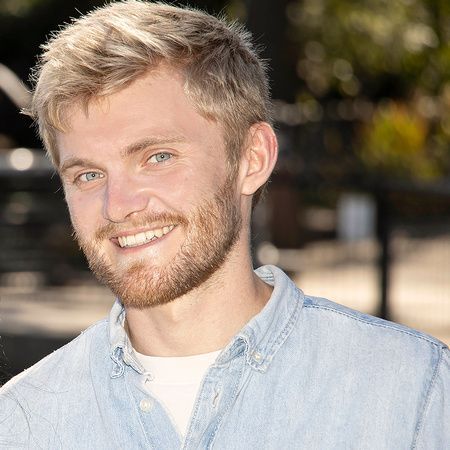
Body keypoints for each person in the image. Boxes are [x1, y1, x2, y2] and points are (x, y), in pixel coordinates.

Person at [0, 1, 448, 448]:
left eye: (157, 157)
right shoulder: (24, 421)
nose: (117, 206)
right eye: (88, 175)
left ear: (252, 159)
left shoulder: (413, 395)